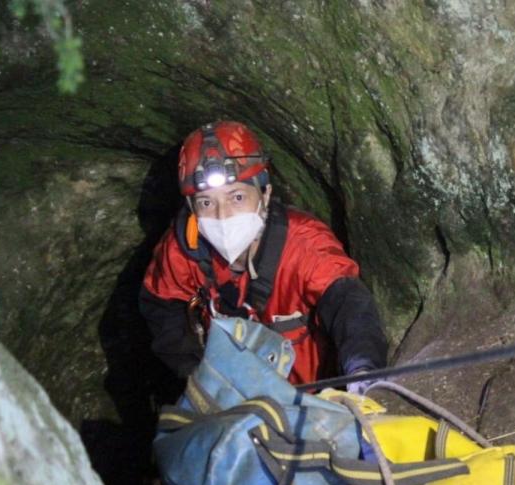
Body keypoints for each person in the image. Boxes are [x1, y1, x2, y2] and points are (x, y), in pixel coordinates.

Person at [139, 120, 387, 385]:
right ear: (191, 208)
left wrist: (362, 369)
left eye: (237, 197)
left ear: (265, 193)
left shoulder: (304, 244)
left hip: (314, 396)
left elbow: (348, 303)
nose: (222, 215)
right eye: (206, 202)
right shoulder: (181, 251)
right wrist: (198, 374)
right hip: (235, 399)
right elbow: (162, 308)